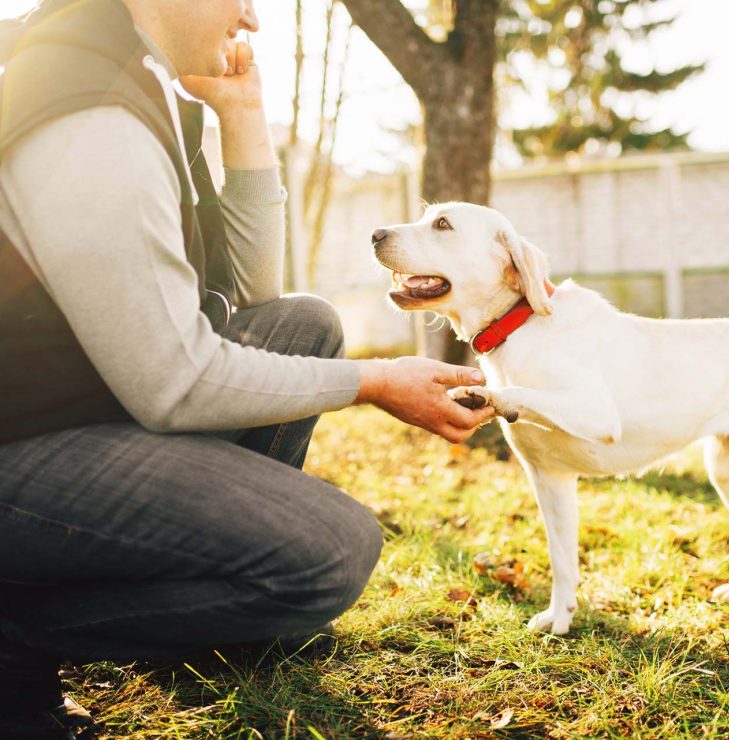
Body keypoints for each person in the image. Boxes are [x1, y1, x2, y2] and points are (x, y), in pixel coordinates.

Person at [0, 0, 495, 735]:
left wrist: (243, 117)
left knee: (305, 325)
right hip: (21, 447)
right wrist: (376, 382)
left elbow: (254, 294)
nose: (253, 19)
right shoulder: (91, 116)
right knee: (331, 552)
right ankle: (16, 644)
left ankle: (202, 623)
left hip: (78, 406)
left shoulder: (141, 84)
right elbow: (177, 382)